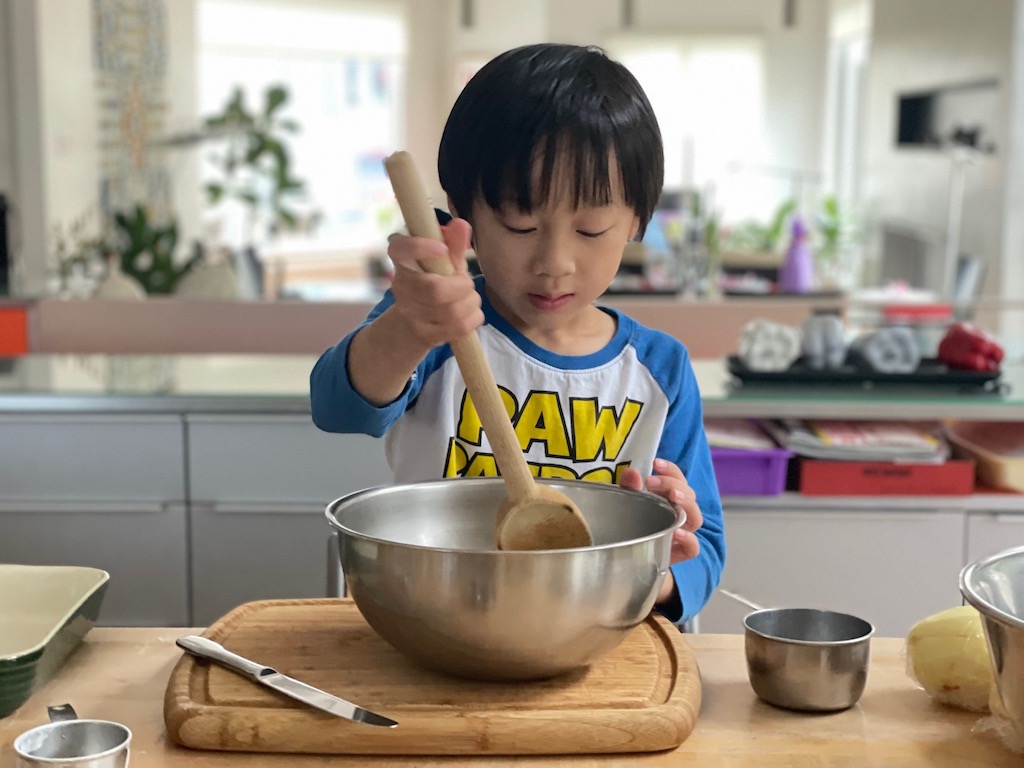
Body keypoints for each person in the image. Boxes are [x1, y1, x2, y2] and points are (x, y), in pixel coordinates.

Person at [310, 43, 725, 626]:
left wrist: (655, 573)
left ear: (637, 218)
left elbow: (704, 551)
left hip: (597, 641)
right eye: (520, 223)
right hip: (442, 621)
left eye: (591, 228)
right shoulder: (438, 320)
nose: (555, 262)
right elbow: (336, 407)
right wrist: (408, 327)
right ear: (463, 213)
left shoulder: (659, 368)